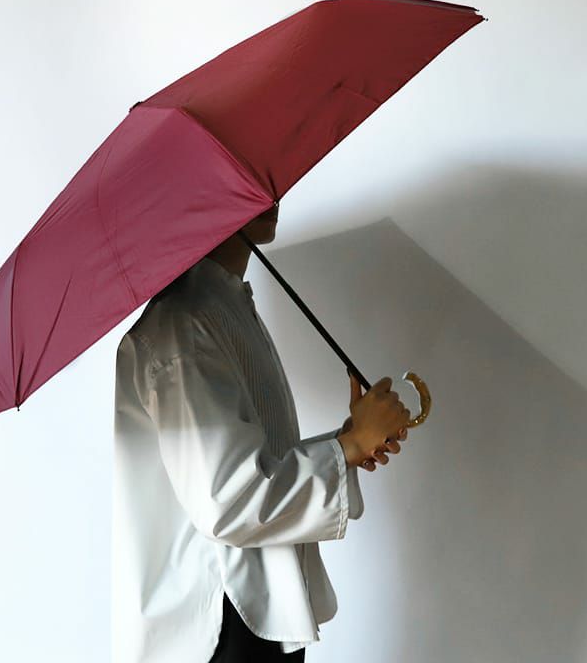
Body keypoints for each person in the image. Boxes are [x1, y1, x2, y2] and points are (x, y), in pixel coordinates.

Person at [112, 201, 411, 662]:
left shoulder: (225, 308)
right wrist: (347, 447)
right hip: (220, 620)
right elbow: (227, 501)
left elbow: (256, 463)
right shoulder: (185, 326)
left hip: (258, 607)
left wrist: (350, 442)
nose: (272, 198)